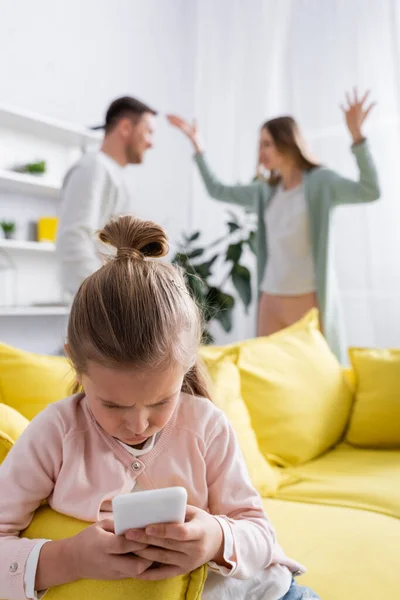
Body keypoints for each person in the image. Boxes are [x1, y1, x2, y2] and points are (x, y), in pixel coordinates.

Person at [0, 215, 320, 600]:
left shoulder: (206, 425)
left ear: (186, 366)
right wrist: (70, 558)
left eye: (161, 401)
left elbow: (260, 535)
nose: (138, 424)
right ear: (76, 365)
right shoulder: (56, 433)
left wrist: (215, 538)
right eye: (113, 404)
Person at [167, 89, 380, 362]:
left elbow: (370, 190)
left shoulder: (321, 182)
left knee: (313, 371)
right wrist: (197, 145)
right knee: (269, 368)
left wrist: (358, 138)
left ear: (287, 142)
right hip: (271, 298)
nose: (261, 152)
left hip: (307, 299)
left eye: (267, 144)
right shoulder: (265, 191)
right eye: (260, 145)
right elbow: (217, 190)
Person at [56, 96, 157, 301]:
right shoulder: (92, 167)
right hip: (95, 305)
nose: (150, 143)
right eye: (148, 132)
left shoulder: (115, 175)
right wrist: (102, 298)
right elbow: (74, 238)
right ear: (126, 127)